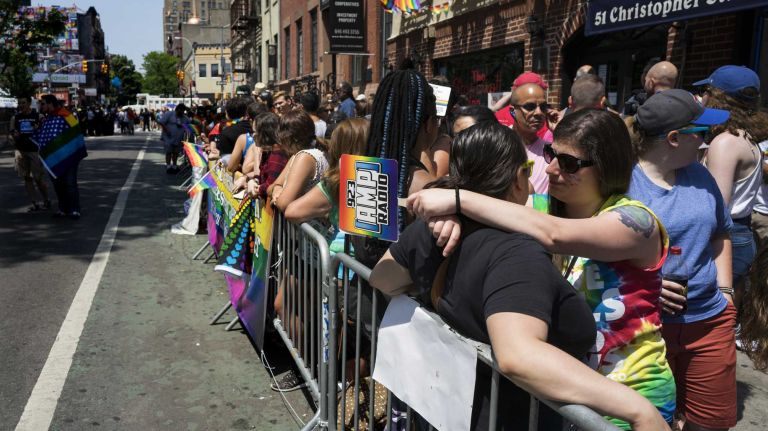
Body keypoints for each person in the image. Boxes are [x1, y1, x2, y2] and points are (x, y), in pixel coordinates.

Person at [373, 122, 670, 431]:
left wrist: (457, 200)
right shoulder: (529, 224)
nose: (550, 168)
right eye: (549, 154)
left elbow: (553, 233)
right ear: (518, 179)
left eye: (568, 163)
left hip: (629, 389)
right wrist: (451, 213)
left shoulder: (635, 219)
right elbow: (518, 354)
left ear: (607, 166)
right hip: (576, 396)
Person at [627, 89, 735, 431]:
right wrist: (647, 285)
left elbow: (721, 233)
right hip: (647, 327)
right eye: (701, 133)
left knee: (711, 424)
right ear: (674, 138)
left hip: (709, 320)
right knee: (653, 422)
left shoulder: (700, 175)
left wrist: (727, 292)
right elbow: (597, 257)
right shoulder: (623, 183)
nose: (706, 142)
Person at [696, 66, 768, 314]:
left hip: (725, 237)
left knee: (716, 315)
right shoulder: (744, 137)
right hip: (737, 233)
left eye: (706, 91)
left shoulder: (726, 141)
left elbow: (716, 206)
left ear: (717, 97)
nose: (702, 98)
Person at [32, 94, 87, 220]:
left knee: (70, 184)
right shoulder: (46, 120)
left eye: (43, 103)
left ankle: (74, 210)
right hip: (54, 158)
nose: (41, 106)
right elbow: (43, 137)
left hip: (69, 156)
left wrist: (72, 149)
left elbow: (77, 131)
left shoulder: (67, 115)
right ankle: (62, 209)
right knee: (58, 185)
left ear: (50, 104)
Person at [510, 81, 552, 194]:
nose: (539, 113)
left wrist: (559, 132)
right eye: (529, 107)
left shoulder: (551, 152)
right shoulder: (496, 143)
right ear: (513, 111)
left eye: (543, 107)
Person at [11, 95, 51, 212]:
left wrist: (39, 128)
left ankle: (46, 199)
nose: (21, 105)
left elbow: (46, 132)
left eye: (23, 103)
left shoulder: (38, 116)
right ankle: (34, 203)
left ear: (29, 104)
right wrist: (14, 136)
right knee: (27, 178)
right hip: (21, 150)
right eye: (19, 103)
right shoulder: (15, 118)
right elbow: (12, 133)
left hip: (34, 150)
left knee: (38, 178)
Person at [157, 104, 190, 174]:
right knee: (168, 152)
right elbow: (161, 122)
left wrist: (183, 126)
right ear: (177, 109)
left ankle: (174, 166)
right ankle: (168, 166)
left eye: (182, 111)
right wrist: (167, 130)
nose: (181, 113)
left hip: (178, 138)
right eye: (180, 111)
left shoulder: (185, 118)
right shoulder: (169, 114)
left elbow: (188, 126)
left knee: (176, 152)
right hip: (168, 137)